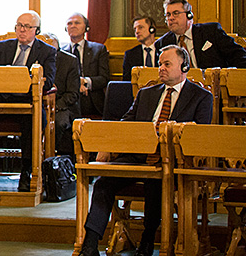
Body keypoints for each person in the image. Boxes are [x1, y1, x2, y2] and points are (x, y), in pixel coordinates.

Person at [78, 45, 213, 256]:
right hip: (136, 157)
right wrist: (107, 145)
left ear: (184, 66)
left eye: (167, 64)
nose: (161, 68)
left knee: (155, 182)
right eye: (160, 64)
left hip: (174, 162)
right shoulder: (146, 94)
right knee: (104, 182)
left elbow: (201, 136)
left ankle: (147, 242)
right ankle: (90, 244)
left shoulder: (201, 96)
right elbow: (125, 125)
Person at [0, 11, 56, 192]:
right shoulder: (3, 47)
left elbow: (49, 81)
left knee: (34, 122)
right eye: (19, 26)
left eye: (27, 27)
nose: (22, 30)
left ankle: (27, 173)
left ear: (36, 30)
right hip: (0, 101)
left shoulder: (47, 51)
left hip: (28, 103)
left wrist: (20, 81)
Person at [154, 0, 246, 69]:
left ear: (189, 15)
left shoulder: (211, 32)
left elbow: (238, 55)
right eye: (168, 15)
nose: (171, 18)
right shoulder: (162, 43)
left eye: (176, 13)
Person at [63, 13, 110, 117]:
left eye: (77, 23)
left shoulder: (99, 49)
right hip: (68, 98)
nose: (73, 25)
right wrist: (76, 84)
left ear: (86, 28)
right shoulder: (61, 52)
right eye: (69, 23)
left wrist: (84, 81)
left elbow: (104, 78)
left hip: (91, 97)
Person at [42, 32, 81, 157]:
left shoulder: (70, 61)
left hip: (63, 105)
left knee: (57, 123)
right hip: (39, 104)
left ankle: (51, 158)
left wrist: (54, 106)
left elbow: (73, 94)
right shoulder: (36, 58)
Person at [122, 16, 158, 81]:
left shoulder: (163, 50)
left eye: (140, 27)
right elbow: (126, 81)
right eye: (135, 29)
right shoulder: (130, 54)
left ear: (152, 29)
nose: (137, 31)